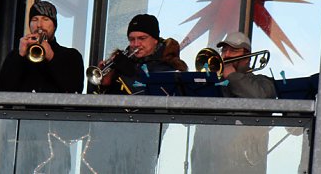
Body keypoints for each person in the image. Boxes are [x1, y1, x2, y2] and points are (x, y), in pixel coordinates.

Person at [190, 32, 277, 173]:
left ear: (247, 57)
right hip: (204, 166)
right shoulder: (214, 84)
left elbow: (260, 97)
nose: (227, 55)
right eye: (224, 50)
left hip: (242, 167)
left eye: (234, 50)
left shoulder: (263, 82)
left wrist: (231, 75)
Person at [0, 1, 84, 93]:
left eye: (45, 19)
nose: (39, 25)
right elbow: (2, 90)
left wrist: (52, 57)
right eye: (34, 19)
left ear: (54, 26)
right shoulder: (15, 55)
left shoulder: (71, 56)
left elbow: (75, 89)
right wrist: (19, 57)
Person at [91, 14, 188, 94]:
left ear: (155, 40)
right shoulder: (121, 62)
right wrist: (105, 84)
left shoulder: (169, 65)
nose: (136, 44)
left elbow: (153, 99)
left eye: (142, 38)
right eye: (132, 39)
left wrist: (129, 74)